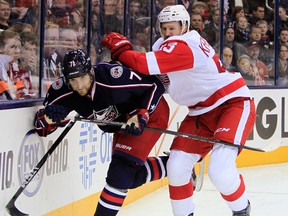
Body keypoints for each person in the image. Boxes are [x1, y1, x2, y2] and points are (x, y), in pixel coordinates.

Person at [101, 4, 256, 216]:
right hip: (200, 113)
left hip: (231, 104)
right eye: (164, 28)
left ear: (184, 27)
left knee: (220, 169)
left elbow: (144, 64)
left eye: (172, 28)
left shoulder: (186, 44)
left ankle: (242, 210)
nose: (167, 33)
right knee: (176, 167)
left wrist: (121, 50)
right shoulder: (162, 46)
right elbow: (147, 79)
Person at [34, 49, 170, 216]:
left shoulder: (111, 77)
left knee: (119, 175)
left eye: (82, 78)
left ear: (90, 71)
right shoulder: (61, 90)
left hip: (150, 116)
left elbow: (156, 85)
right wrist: (49, 120)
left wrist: (142, 113)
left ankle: (176, 166)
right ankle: (174, 166)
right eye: (73, 81)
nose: (79, 86)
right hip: (120, 125)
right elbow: (40, 126)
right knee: (127, 176)